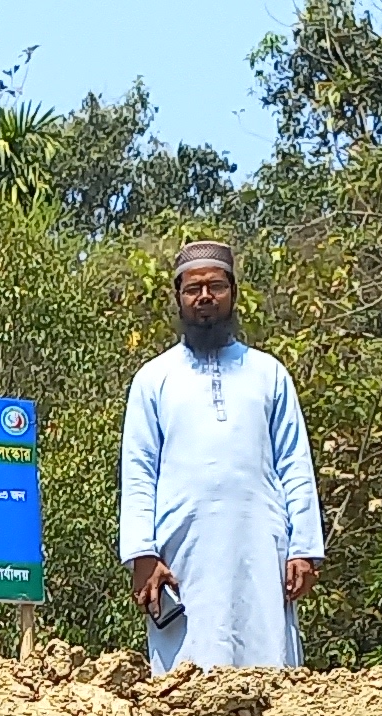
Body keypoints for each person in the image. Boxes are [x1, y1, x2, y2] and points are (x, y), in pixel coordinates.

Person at [117, 240, 323, 672]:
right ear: (179, 299)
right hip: (180, 554)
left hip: (263, 548)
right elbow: (138, 472)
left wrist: (303, 548)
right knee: (186, 677)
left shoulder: (269, 374)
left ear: (233, 294)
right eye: (193, 289)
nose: (205, 297)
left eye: (215, 286)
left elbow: (295, 463)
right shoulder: (154, 379)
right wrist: (142, 555)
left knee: (270, 667)